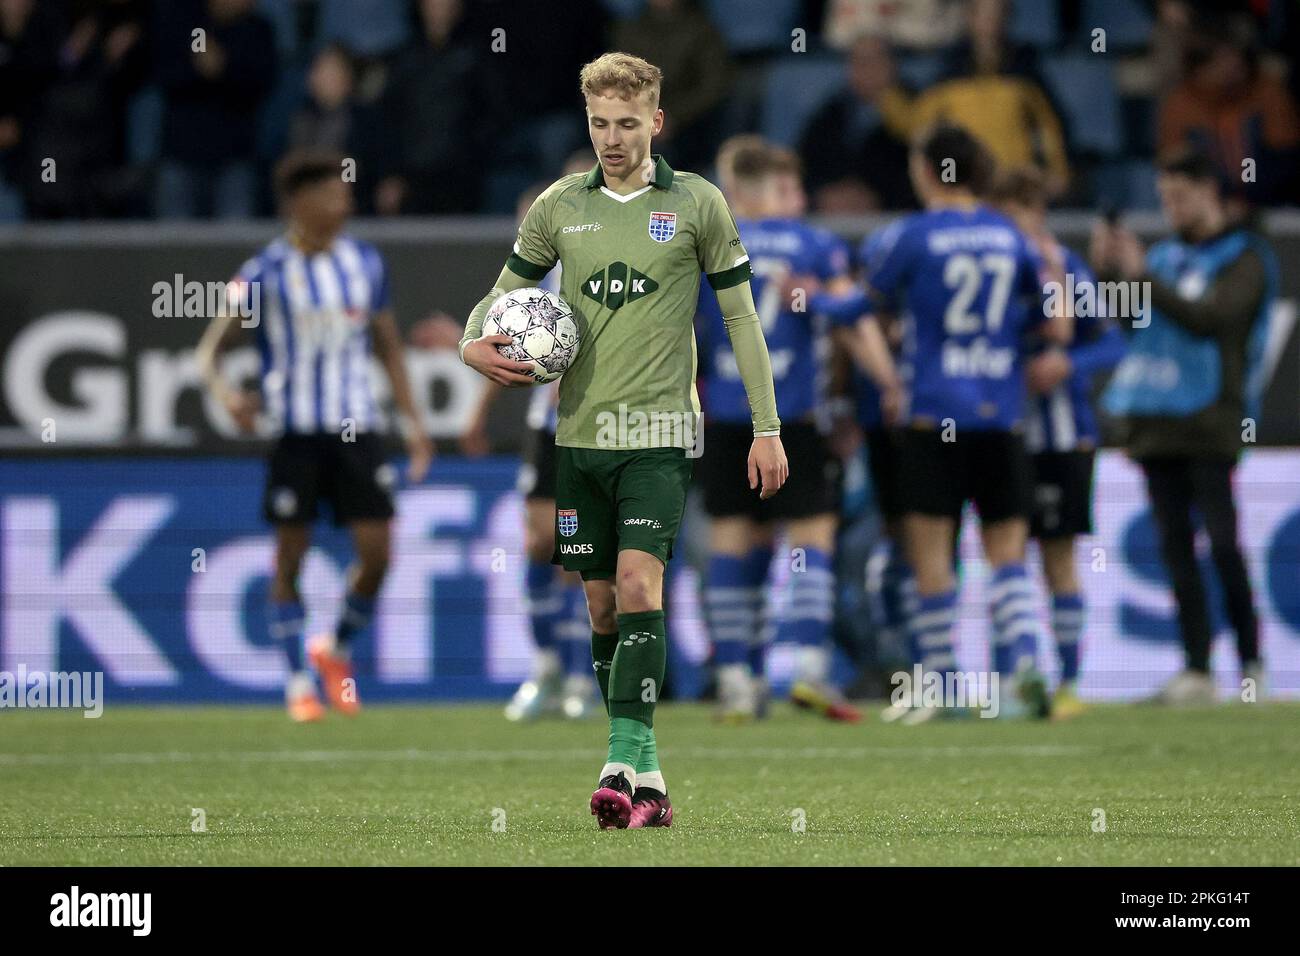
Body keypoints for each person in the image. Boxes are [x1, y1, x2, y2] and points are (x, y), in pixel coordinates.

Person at [459, 53, 786, 830]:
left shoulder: (700, 205)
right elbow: (503, 299)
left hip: (661, 436)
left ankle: (615, 759)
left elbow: (740, 319)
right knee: (603, 607)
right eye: (599, 123)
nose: (612, 138)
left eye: (627, 124)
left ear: (657, 122)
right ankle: (650, 780)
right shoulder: (558, 207)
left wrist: (766, 428)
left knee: (640, 587)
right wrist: (473, 344)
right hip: (578, 439)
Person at [196, 149, 433, 721]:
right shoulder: (264, 272)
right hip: (295, 433)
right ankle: (297, 681)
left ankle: (335, 648)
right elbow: (209, 352)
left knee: (377, 554)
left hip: (359, 429)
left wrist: (414, 424)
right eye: (332, 195)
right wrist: (227, 394)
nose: (344, 204)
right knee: (289, 559)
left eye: (346, 195)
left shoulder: (365, 264)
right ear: (299, 203)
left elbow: (389, 347)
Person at [862, 124, 1071, 722]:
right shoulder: (1011, 235)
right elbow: (1054, 328)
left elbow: (859, 304)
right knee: (1007, 553)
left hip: (933, 416)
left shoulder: (913, 235)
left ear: (929, 171)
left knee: (933, 557)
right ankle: (1029, 665)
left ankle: (943, 685)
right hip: (1002, 418)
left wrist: (814, 297)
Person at [1096, 148, 1278, 704]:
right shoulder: (1167, 257)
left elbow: (1213, 319)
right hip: (1157, 420)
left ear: (1210, 192)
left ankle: (1251, 666)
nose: (1171, 208)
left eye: (1180, 196)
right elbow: (1133, 323)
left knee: (1222, 543)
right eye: (1164, 197)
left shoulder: (1246, 257)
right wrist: (1112, 273)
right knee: (1175, 547)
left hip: (1212, 418)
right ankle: (1196, 668)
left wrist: (1143, 276)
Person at [697, 137, 860, 723]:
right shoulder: (816, 245)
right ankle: (812, 670)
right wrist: (885, 382)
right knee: (811, 537)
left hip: (726, 417)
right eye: (790, 187)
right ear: (768, 189)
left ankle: (738, 679)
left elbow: (679, 337)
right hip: (794, 418)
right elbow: (851, 317)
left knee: (732, 543)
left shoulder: (705, 248)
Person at [990, 166, 1126, 719]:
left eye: (1022, 213)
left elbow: (1111, 346)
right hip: (1001, 432)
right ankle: (1012, 681)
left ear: (1038, 215)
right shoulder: (991, 269)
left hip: (1064, 437)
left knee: (1058, 557)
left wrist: (1066, 363)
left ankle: (1068, 682)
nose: (1013, 226)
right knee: (1004, 553)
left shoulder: (1068, 269)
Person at [462, 177, 598, 722]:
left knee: (581, 556)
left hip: (600, 425)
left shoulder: (616, 269)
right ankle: (544, 666)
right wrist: (478, 413)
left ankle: (579, 679)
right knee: (541, 541)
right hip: (548, 426)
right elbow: (505, 351)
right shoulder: (530, 286)